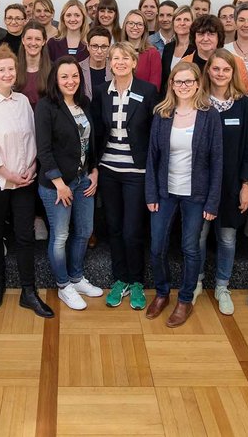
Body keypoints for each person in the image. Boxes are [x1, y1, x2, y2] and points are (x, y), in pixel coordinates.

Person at [0, 46, 54, 318]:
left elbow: (33, 138)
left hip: (25, 179)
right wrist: (8, 174)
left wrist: (30, 168)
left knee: (25, 234)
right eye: (2, 70)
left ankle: (28, 291)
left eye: (11, 69)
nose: (7, 73)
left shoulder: (22, 103)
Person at [145, 62, 222, 328]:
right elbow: (152, 158)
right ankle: (163, 293)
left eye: (189, 81)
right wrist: (151, 193)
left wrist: (212, 200)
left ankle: (185, 299)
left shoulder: (209, 115)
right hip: (165, 192)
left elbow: (217, 161)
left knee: (190, 248)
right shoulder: (162, 113)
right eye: (179, 82)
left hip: (196, 195)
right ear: (172, 85)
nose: (184, 86)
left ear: (198, 84)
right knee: (157, 246)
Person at [35, 57, 103, 310]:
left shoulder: (84, 103)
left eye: (74, 76)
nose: (70, 81)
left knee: (84, 231)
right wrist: (59, 183)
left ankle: (76, 277)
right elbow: (43, 149)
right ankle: (64, 285)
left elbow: (91, 141)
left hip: (83, 179)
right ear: (55, 78)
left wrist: (94, 171)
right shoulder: (46, 106)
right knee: (61, 235)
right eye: (64, 76)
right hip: (56, 185)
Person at [94, 42, 157, 310]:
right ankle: (121, 279)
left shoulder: (148, 91)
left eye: (125, 58)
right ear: (109, 63)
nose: (119, 62)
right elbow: (97, 132)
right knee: (115, 228)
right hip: (108, 170)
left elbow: (155, 133)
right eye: (114, 58)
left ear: (134, 62)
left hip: (136, 173)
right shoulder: (101, 93)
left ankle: (137, 281)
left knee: (133, 231)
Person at [198, 50, 248, 316]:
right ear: (208, 70)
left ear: (233, 73)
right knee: (197, 237)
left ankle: (223, 286)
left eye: (226, 69)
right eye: (216, 69)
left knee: (227, 237)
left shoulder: (244, 105)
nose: (220, 74)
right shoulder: (197, 102)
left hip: (232, 185)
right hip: (200, 185)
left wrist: (246, 184)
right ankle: (197, 281)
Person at [181, 14, 248, 92]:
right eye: (200, 34)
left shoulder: (237, 63)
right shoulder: (184, 63)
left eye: (211, 34)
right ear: (194, 38)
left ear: (219, 37)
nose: (205, 39)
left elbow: (245, 92)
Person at [121, 9, 162, 89]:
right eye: (131, 23)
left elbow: (154, 86)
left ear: (144, 28)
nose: (135, 27)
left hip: (144, 100)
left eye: (139, 24)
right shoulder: (118, 51)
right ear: (125, 26)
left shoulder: (153, 53)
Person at [16, 21, 50, 108]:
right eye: (29, 38)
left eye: (38, 39)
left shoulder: (53, 70)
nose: (33, 43)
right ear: (23, 40)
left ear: (44, 41)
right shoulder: (13, 69)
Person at [160, 5, 194, 88]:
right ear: (173, 22)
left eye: (186, 20)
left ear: (193, 23)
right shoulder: (168, 48)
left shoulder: (196, 48)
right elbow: (164, 78)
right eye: (178, 19)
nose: (182, 23)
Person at [83, 27, 113, 97]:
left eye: (104, 46)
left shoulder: (115, 69)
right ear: (88, 46)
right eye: (95, 46)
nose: (99, 51)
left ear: (109, 47)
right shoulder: (78, 69)